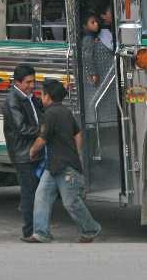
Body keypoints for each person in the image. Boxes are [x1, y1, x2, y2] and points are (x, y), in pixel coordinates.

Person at [27, 79, 101, 243]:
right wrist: (77, 152)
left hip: (64, 167)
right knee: (42, 196)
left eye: (42, 94)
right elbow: (78, 133)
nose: (40, 97)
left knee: (71, 202)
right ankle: (41, 233)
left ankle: (91, 229)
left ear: (48, 96)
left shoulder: (50, 114)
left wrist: (32, 150)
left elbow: (42, 138)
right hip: (54, 165)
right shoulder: (65, 112)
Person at [2, 64, 43, 241]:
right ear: (17, 82)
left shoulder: (30, 97)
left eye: (33, 81)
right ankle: (29, 231)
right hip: (23, 154)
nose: (32, 85)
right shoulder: (13, 101)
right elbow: (21, 128)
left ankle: (38, 228)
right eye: (28, 82)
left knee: (37, 192)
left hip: (34, 152)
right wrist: (44, 131)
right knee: (29, 193)